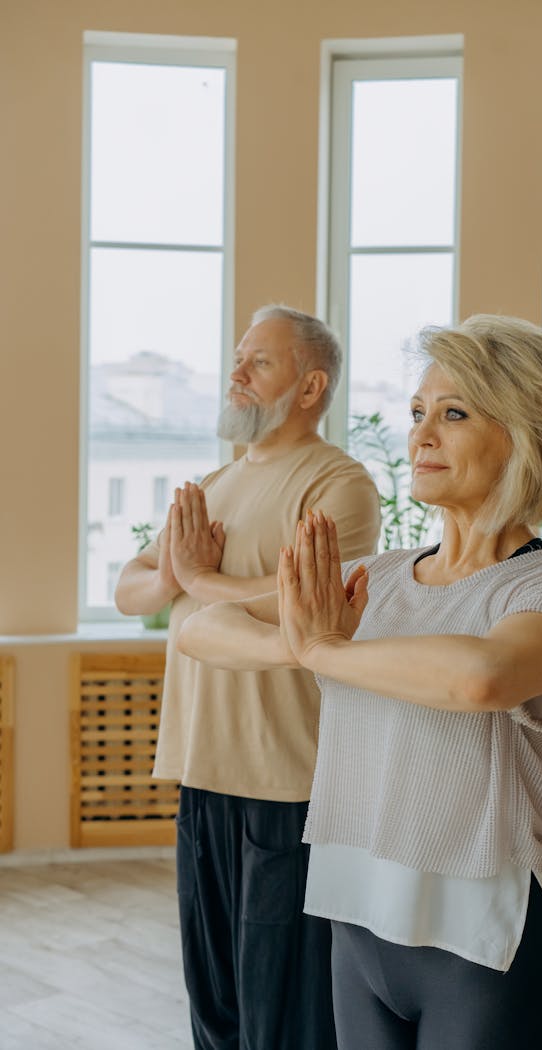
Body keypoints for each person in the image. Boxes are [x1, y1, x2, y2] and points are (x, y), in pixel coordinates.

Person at [178, 314, 542, 1050]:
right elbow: (197, 627)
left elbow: (481, 678)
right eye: (417, 413)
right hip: (360, 926)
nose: (421, 435)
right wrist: (305, 646)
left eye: (454, 413)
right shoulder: (373, 578)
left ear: (528, 433)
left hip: (485, 944)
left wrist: (322, 649)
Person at [115, 304, 381, 1050]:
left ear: (309, 385)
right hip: (202, 771)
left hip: (287, 782)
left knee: (284, 1012)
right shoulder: (217, 481)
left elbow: (303, 606)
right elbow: (132, 590)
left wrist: (195, 576)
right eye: (239, 357)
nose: (236, 373)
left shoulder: (339, 485)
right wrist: (180, 572)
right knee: (216, 1002)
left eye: (259, 361)